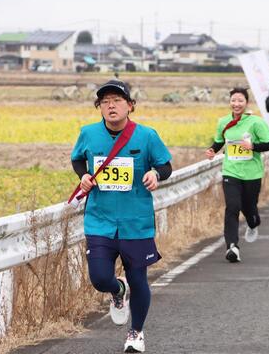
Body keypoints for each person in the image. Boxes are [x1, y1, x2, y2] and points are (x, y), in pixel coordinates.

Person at [70, 79, 172, 353]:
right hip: (99, 219)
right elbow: (78, 159)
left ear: (130, 105)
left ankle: (136, 332)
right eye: (105, 101)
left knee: (138, 279)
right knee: (100, 278)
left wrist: (155, 174)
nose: (110, 105)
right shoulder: (88, 134)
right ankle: (117, 290)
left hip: (135, 222)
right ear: (99, 107)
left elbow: (165, 164)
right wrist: (84, 176)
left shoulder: (147, 136)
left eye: (116, 100)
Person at [206, 87, 269, 262]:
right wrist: (212, 150)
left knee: (250, 209)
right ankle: (232, 247)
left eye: (240, 101)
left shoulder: (255, 122)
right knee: (232, 207)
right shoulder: (223, 122)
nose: (236, 104)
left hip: (252, 173)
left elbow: (268, 144)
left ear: (246, 103)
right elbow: (220, 141)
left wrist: (253, 147)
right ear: (230, 102)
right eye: (233, 100)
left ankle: (253, 223)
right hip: (231, 171)